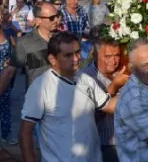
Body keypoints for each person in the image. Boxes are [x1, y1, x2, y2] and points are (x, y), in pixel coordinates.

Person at [19, 32, 116, 162]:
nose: (76, 59)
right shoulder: (40, 87)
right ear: (53, 59)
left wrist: (135, 85)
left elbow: (109, 106)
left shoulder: (85, 79)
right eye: (68, 55)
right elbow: (25, 133)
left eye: (77, 52)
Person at [79, 37, 129, 162]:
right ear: (96, 56)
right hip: (104, 144)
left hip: (128, 141)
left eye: (117, 55)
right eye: (107, 56)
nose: (113, 61)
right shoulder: (86, 78)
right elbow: (89, 117)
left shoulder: (124, 70)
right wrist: (114, 86)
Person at [0, 23, 14, 145]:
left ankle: (6, 134)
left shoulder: (7, 32)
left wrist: (11, 60)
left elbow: (14, 49)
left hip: (6, 75)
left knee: (5, 107)